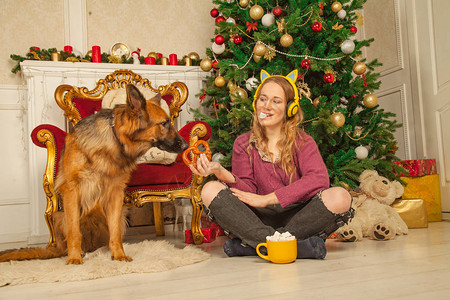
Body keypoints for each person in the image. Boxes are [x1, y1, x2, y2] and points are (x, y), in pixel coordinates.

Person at [189, 70, 354, 259]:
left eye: (276, 101)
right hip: (256, 218)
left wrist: (270, 198)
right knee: (210, 189)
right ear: (255, 102)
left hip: (298, 215)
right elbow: (248, 189)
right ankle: (294, 247)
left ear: (289, 108)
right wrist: (222, 173)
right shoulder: (243, 143)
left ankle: (254, 246)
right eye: (262, 99)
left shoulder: (303, 141)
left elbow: (319, 179)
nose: (266, 106)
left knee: (340, 196)